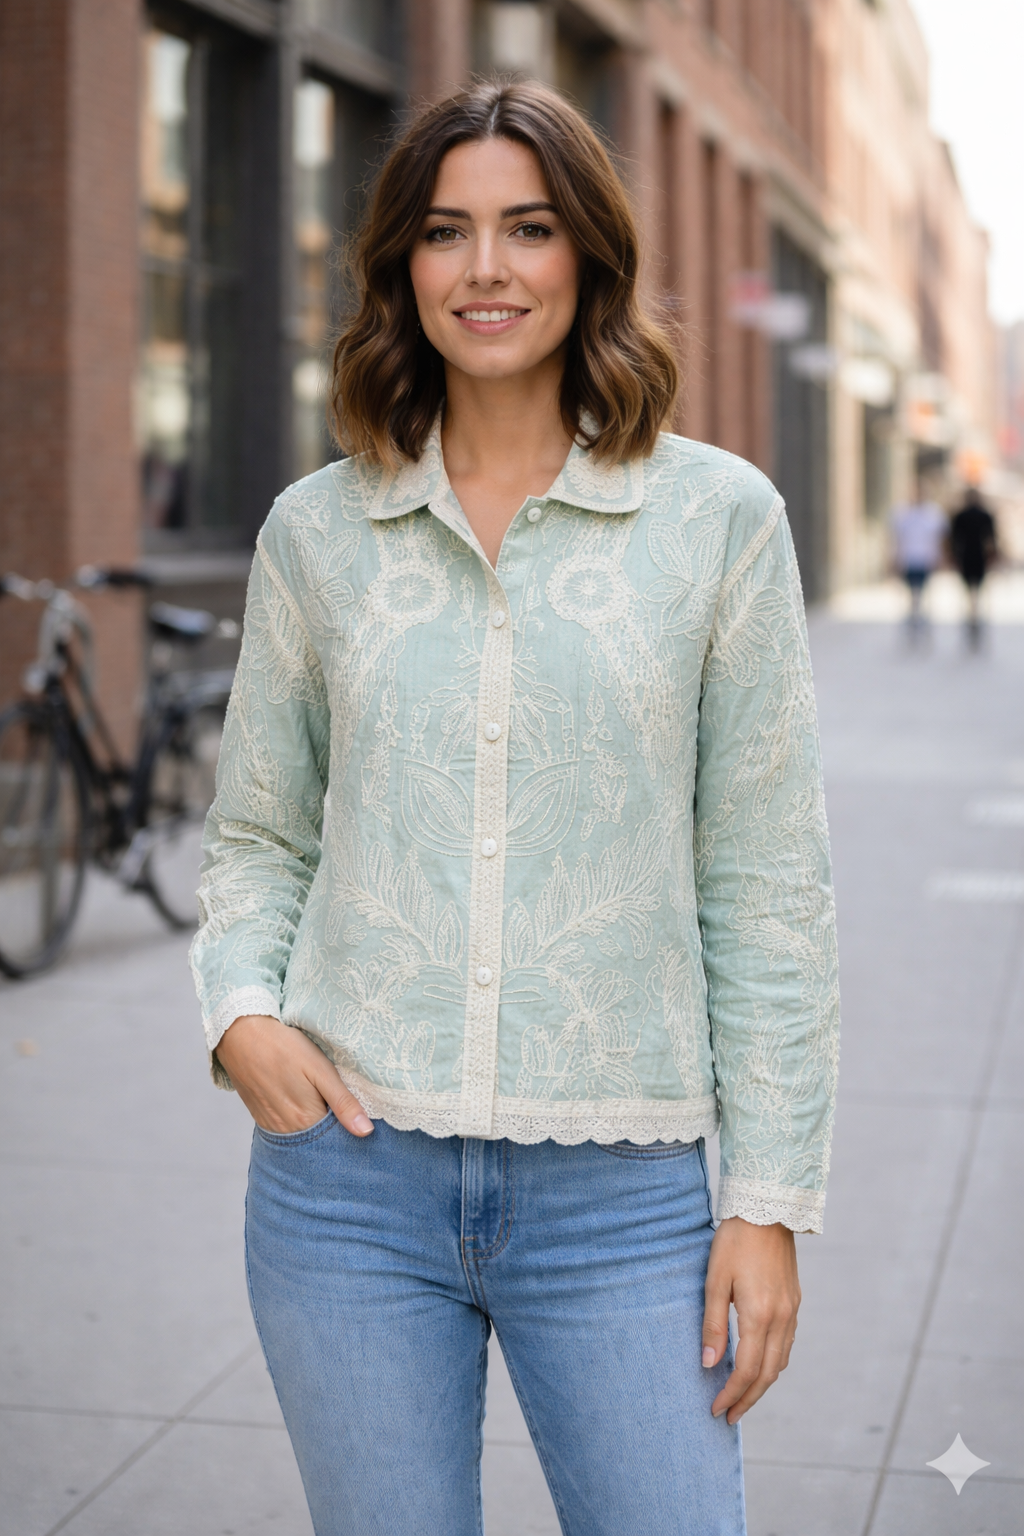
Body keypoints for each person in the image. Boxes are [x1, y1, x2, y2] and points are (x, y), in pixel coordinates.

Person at [190, 81, 839, 1536]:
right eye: (446, 232)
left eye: (528, 228)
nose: (486, 269)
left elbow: (767, 882)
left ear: (588, 257)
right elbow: (257, 834)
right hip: (346, 1190)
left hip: (620, 1201)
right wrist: (240, 1013)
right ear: (399, 269)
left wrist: (772, 1200)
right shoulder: (317, 530)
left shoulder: (719, 525)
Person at [890, 483, 947, 632]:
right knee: (911, 592)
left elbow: (940, 537)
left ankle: (922, 618)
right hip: (908, 558)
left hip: (926, 559)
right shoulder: (902, 513)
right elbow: (897, 538)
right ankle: (913, 618)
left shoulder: (933, 513)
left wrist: (940, 557)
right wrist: (894, 558)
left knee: (924, 591)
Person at [950, 486, 997, 647]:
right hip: (977, 557)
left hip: (969, 557)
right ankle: (974, 617)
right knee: (976, 592)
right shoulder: (983, 515)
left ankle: (973, 617)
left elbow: (954, 541)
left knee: (971, 592)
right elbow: (992, 540)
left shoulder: (962, 516)